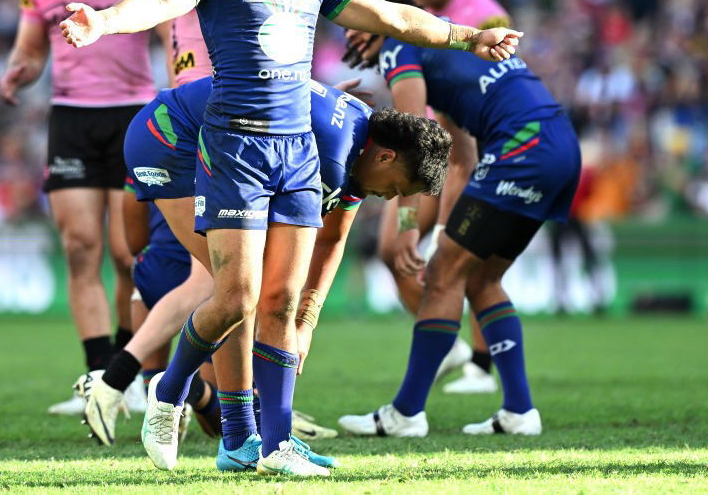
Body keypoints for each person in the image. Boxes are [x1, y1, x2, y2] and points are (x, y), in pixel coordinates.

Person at [60, 0, 519, 476]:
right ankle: (168, 391)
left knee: (278, 300)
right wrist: (108, 19)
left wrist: (468, 36)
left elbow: (391, 16)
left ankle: (271, 443)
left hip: (297, 153)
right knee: (235, 298)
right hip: (235, 146)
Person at [79, 76, 451, 472]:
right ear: (387, 158)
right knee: (240, 289)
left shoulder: (363, 146)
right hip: (171, 137)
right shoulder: (334, 157)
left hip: (221, 141)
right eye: (396, 188)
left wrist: (307, 319)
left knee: (248, 292)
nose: (390, 197)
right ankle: (180, 396)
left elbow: (332, 239)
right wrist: (293, 317)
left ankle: (241, 441)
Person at [337, 0, 580, 438]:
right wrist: (449, 223)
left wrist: (408, 225)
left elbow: (410, 140)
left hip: (522, 148)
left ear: (381, 13)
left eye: (353, 16)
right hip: (558, 145)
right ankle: (519, 411)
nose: (347, 29)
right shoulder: (444, 38)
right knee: (481, 277)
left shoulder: (399, 44)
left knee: (444, 273)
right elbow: (461, 154)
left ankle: (405, 414)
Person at [0, 0, 172, 414]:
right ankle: (97, 378)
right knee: (79, 250)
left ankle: (129, 375)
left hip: (132, 116)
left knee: (127, 256)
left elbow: (171, 30)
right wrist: (17, 70)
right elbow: (31, 48)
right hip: (70, 117)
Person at [351, 0, 513, 394]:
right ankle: (449, 346)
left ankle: (481, 364)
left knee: (470, 263)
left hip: (472, 154)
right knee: (394, 250)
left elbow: (490, 88)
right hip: (430, 156)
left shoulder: (483, 15)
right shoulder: (402, 34)